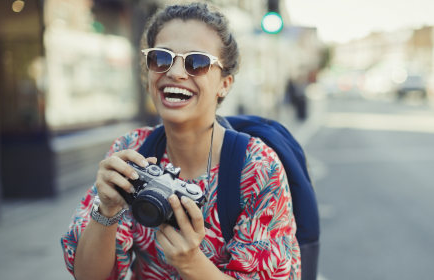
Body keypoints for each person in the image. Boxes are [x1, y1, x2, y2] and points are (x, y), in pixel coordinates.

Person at [60, 2, 301, 279]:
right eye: (161, 59)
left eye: (196, 62)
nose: (175, 73)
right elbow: (89, 276)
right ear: (147, 71)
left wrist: (190, 262)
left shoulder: (257, 169)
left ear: (225, 83)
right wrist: (107, 211)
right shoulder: (131, 153)